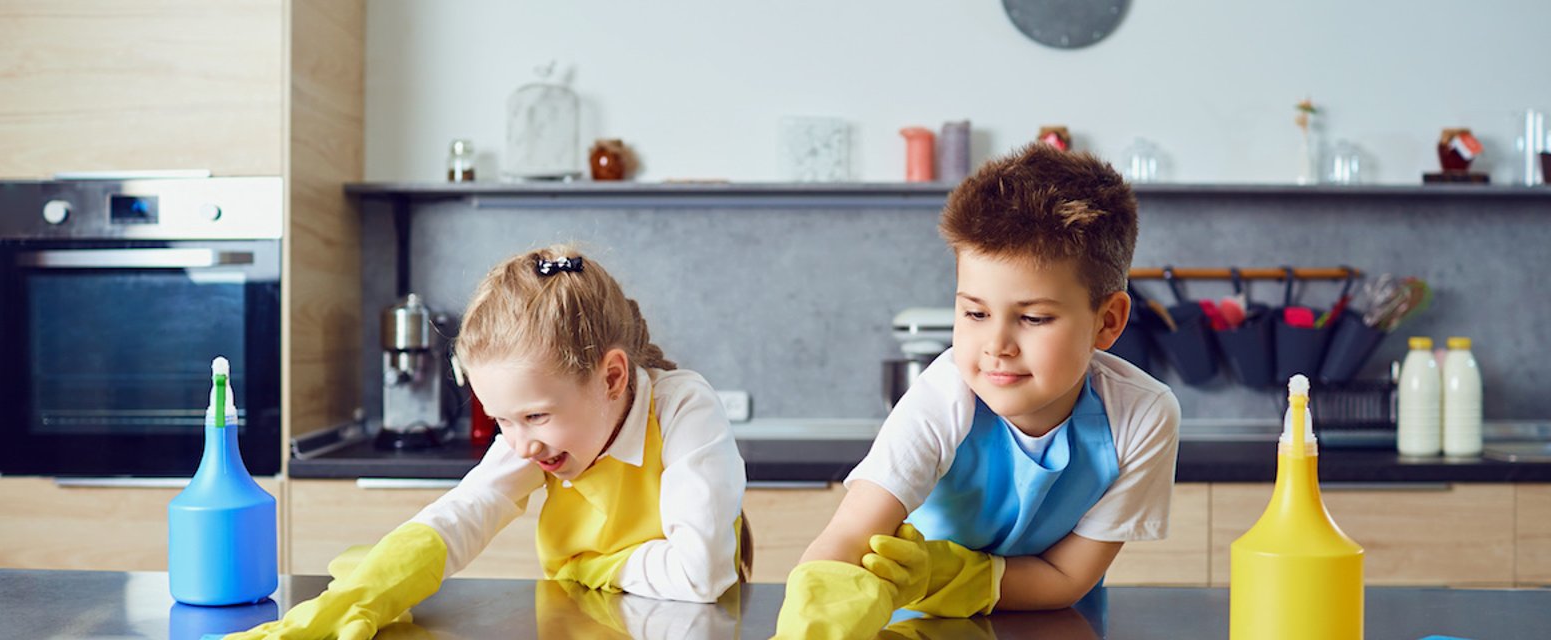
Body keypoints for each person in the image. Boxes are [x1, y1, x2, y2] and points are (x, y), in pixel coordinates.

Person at [230, 244, 750, 639]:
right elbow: (466, 510)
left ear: (612, 378)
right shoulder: (535, 436)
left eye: (536, 416)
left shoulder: (683, 408)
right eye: (502, 420)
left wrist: (593, 566)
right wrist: (365, 592)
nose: (520, 445)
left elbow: (698, 575)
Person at [776, 145, 1180, 638]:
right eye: (975, 313)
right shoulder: (943, 398)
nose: (996, 346)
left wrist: (949, 574)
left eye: (1033, 318)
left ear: (1108, 320)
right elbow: (848, 539)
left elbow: (1066, 580)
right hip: (915, 625)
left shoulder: (1142, 416)